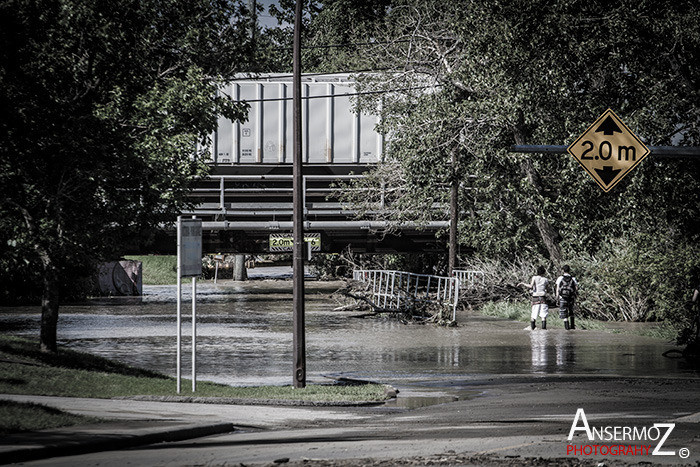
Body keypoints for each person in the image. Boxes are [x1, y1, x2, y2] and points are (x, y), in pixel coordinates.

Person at [518, 265, 550, 330]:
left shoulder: (534, 278)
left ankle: (532, 330)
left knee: (533, 315)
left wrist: (523, 284)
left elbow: (530, 286)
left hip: (536, 298)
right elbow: (548, 289)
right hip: (543, 298)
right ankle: (544, 330)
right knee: (543, 316)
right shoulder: (546, 279)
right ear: (544, 272)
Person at [556, 265, 578, 330]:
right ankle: (572, 327)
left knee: (564, 312)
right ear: (569, 270)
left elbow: (557, 289)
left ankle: (567, 328)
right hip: (571, 298)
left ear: (563, 270)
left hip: (562, 297)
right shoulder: (573, 279)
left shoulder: (560, 278)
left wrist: (557, 297)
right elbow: (576, 289)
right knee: (571, 311)